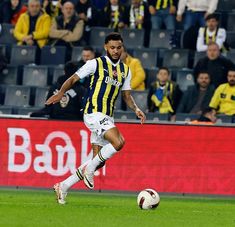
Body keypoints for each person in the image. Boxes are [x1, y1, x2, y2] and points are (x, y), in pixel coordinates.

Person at [45, 32, 146, 204]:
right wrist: (61, 92)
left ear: (122, 48)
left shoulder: (125, 70)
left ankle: (63, 186)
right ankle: (89, 170)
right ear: (106, 47)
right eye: (112, 47)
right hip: (93, 112)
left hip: (108, 116)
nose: (115, 51)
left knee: (98, 161)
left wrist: (136, 109)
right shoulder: (95, 63)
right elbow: (73, 78)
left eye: (119, 48)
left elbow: (126, 95)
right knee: (119, 142)